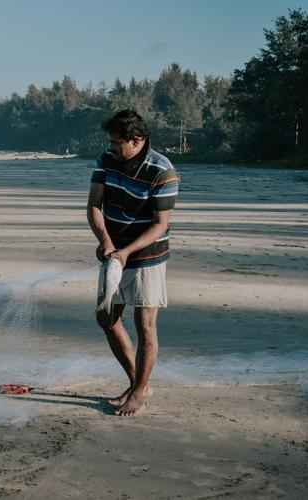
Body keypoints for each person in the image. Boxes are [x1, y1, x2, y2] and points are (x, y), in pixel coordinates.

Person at [86, 110, 179, 416]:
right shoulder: (106, 160)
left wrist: (127, 251)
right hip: (114, 252)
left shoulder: (162, 170)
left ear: (137, 140)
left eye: (116, 143)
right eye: (110, 142)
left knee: (145, 326)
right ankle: (137, 381)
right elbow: (94, 205)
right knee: (106, 319)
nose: (111, 148)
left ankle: (139, 391)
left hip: (147, 255)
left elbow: (160, 224)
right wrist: (107, 243)